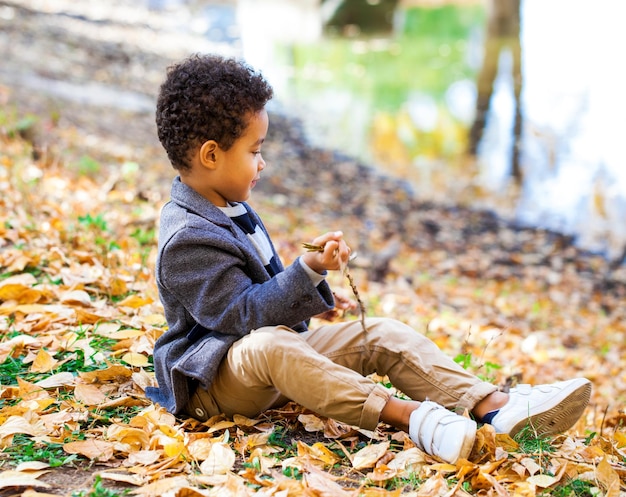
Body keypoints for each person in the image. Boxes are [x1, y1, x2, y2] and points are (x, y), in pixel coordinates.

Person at [146, 53, 592, 464]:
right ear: (210, 155)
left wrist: (310, 279)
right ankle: (413, 418)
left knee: (379, 334)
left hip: (267, 361)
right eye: (255, 150)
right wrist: (304, 273)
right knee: (271, 345)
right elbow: (240, 315)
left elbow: (261, 289)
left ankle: (493, 407)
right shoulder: (187, 239)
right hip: (214, 382)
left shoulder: (227, 202)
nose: (262, 164)